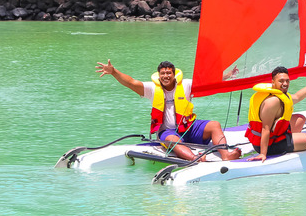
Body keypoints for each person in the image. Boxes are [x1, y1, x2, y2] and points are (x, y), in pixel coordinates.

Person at [95, 59, 242, 162]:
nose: (165, 76)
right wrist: (114, 71)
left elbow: (209, 81)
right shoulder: (152, 89)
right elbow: (131, 82)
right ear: (159, 75)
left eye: (168, 73)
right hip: (168, 132)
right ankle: (195, 158)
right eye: (163, 74)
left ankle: (226, 155)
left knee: (214, 124)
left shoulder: (186, 85)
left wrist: (229, 75)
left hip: (189, 128)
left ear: (173, 74)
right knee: (173, 139)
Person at [246, 66, 306, 162]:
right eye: (281, 81)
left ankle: (290, 142)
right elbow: (265, 129)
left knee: (300, 119)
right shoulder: (273, 101)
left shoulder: (280, 95)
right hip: (268, 145)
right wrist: (263, 153)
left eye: (287, 81)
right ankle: (287, 144)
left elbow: (297, 97)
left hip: (274, 135)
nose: (285, 84)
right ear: (273, 82)